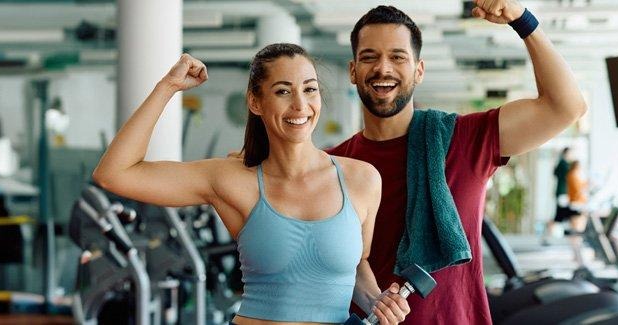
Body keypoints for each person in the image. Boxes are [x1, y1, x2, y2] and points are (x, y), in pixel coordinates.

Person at [92, 44, 411, 324]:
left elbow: (355, 265)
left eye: (310, 89)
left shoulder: (362, 179)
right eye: (283, 91)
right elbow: (114, 173)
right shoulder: (231, 179)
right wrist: (167, 87)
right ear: (255, 102)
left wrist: (377, 301)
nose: (300, 105)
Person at [326, 1, 587, 324]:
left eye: (398, 57)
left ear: (419, 70)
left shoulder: (463, 138)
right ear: (353, 71)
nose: (383, 68)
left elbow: (566, 107)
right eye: (369, 57)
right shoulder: (332, 166)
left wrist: (522, 20)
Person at [544, 147, 573, 245]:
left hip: (562, 192)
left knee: (559, 216)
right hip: (563, 193)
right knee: (559, 217)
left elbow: (555, 173)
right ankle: (547, 236)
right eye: (571, 153)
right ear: (566, 153)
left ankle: (547, 236)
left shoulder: (562, 163)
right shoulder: (564, 164)